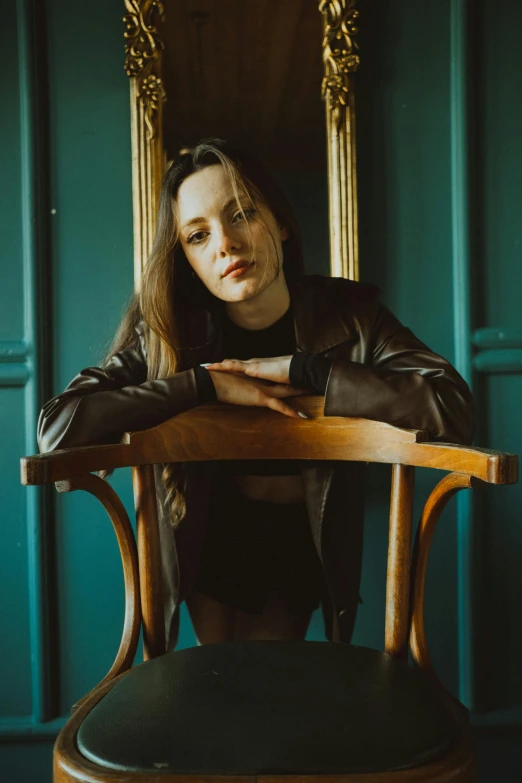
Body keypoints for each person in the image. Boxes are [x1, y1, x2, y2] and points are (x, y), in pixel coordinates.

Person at [38, 138, 475, 649]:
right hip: (210, 532)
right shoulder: (168, 333)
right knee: (219, 690)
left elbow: (454, 408)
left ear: (282, 224)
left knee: (268, 697)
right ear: (187, 258)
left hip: (299, 538)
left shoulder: (354, 317)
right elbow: (58, 429)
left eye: (241, 213)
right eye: (198, 235)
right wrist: (204, 383)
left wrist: (307, 371)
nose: (224, 244)